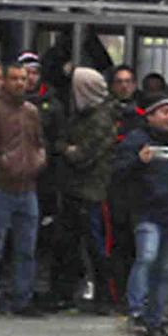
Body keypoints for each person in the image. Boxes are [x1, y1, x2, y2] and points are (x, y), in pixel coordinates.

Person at [114, 95, 168, 336]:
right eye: (163, 112)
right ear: (149, 116)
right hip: (147, 212)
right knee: (147, 257)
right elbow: (118, 171)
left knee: (166, 270)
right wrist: (138, 162)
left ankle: (156, 319)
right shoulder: (137, 141)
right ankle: (137, 308)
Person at [52, 67, 119, 313]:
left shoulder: (100, 119)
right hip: (76, 190)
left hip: (93, 192)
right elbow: (63, 142)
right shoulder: (81, 116)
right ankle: (68, 293)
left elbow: (82, 156)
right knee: (69, 245)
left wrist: (68, 149)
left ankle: (104, 297)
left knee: (97, 247)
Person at [0, 62, 48, 316]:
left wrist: (39, 159)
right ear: (4, 82)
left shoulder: (31, 111)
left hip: (28, 187)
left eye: (23, 79)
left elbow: (39, 142)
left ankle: (23, 298)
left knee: (27, 247)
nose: (20, 83)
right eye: (14, 79)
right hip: (1, 187)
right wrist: (2, 162)